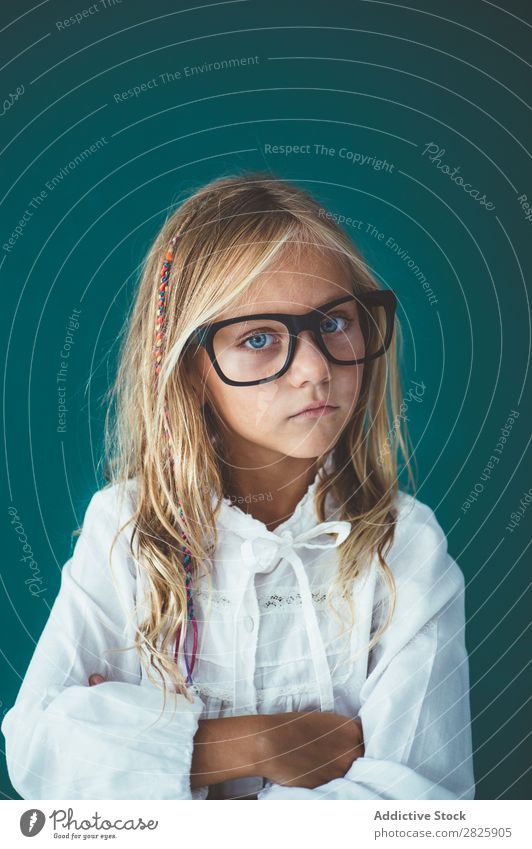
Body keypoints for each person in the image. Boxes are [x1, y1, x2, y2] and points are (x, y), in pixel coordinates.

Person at [1, 172, 475, 800]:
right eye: (258, 338)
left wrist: (139, 755)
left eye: (336, 323)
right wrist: (254, 744)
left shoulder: (403, 545)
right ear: (192, 371)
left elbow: (417, 807)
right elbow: (40, 754)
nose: (314, 370)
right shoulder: (125, 526)